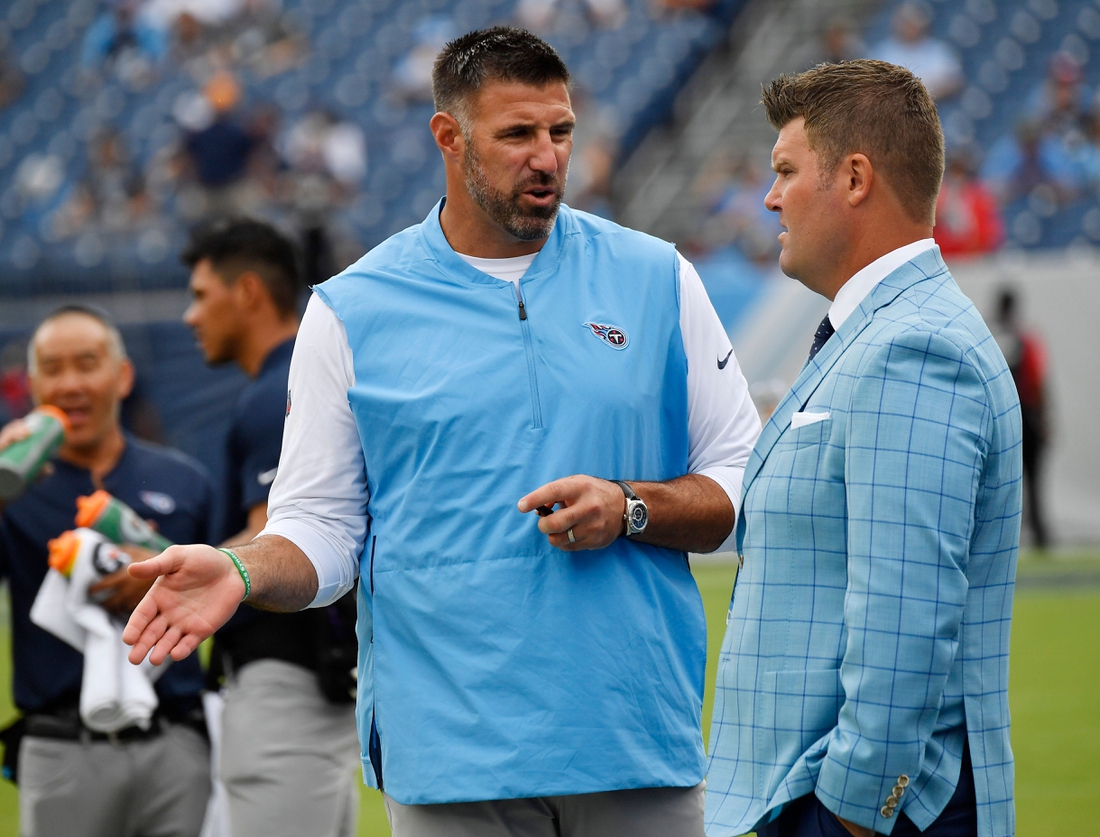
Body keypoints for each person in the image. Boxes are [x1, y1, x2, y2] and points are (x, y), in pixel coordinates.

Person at [126, 26, 761, 837]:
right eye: (518, 135)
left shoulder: (657, 277)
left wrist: (631, 505)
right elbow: (320, 528)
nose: (547, 157)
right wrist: (240, 570)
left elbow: (743, 477)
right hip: (449, 760)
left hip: (632, 739)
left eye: (560, 132)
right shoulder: (350, 309)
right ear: (448, 137)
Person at [705, 61, 1021, 837]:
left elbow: (906, 617)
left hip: (865, 810)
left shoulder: (912, 347)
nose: (770, 197)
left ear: (854, 177)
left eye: (784, 171)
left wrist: (850, 810)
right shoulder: (881, 331)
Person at [0, 306, 212, 837]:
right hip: (62, 748)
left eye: (87, 363)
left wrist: (161, 572)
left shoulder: (183, 480)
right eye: (53, 367)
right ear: (32, 384)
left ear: (122, 376)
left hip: (174, 744)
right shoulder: (12, 489)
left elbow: (234, 597)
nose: (70, 382)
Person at [180, 219, 361, 837]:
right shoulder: (299, 375)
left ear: (249, 292)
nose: (189, 315)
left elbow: (275, 538)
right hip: (324, 676)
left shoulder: (275, 392)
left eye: (202, 295)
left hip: (287, 681)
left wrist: (157, 569)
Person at [992, 288, 1050, 549]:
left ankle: (1024, 536)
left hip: (1004, 418)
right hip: (1028, 417)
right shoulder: (1024, 339)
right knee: (1033, 481)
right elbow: (1038, 383)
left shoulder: (990, 338)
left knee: (1002, 484)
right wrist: (1044, 419)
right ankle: (1039, 535)